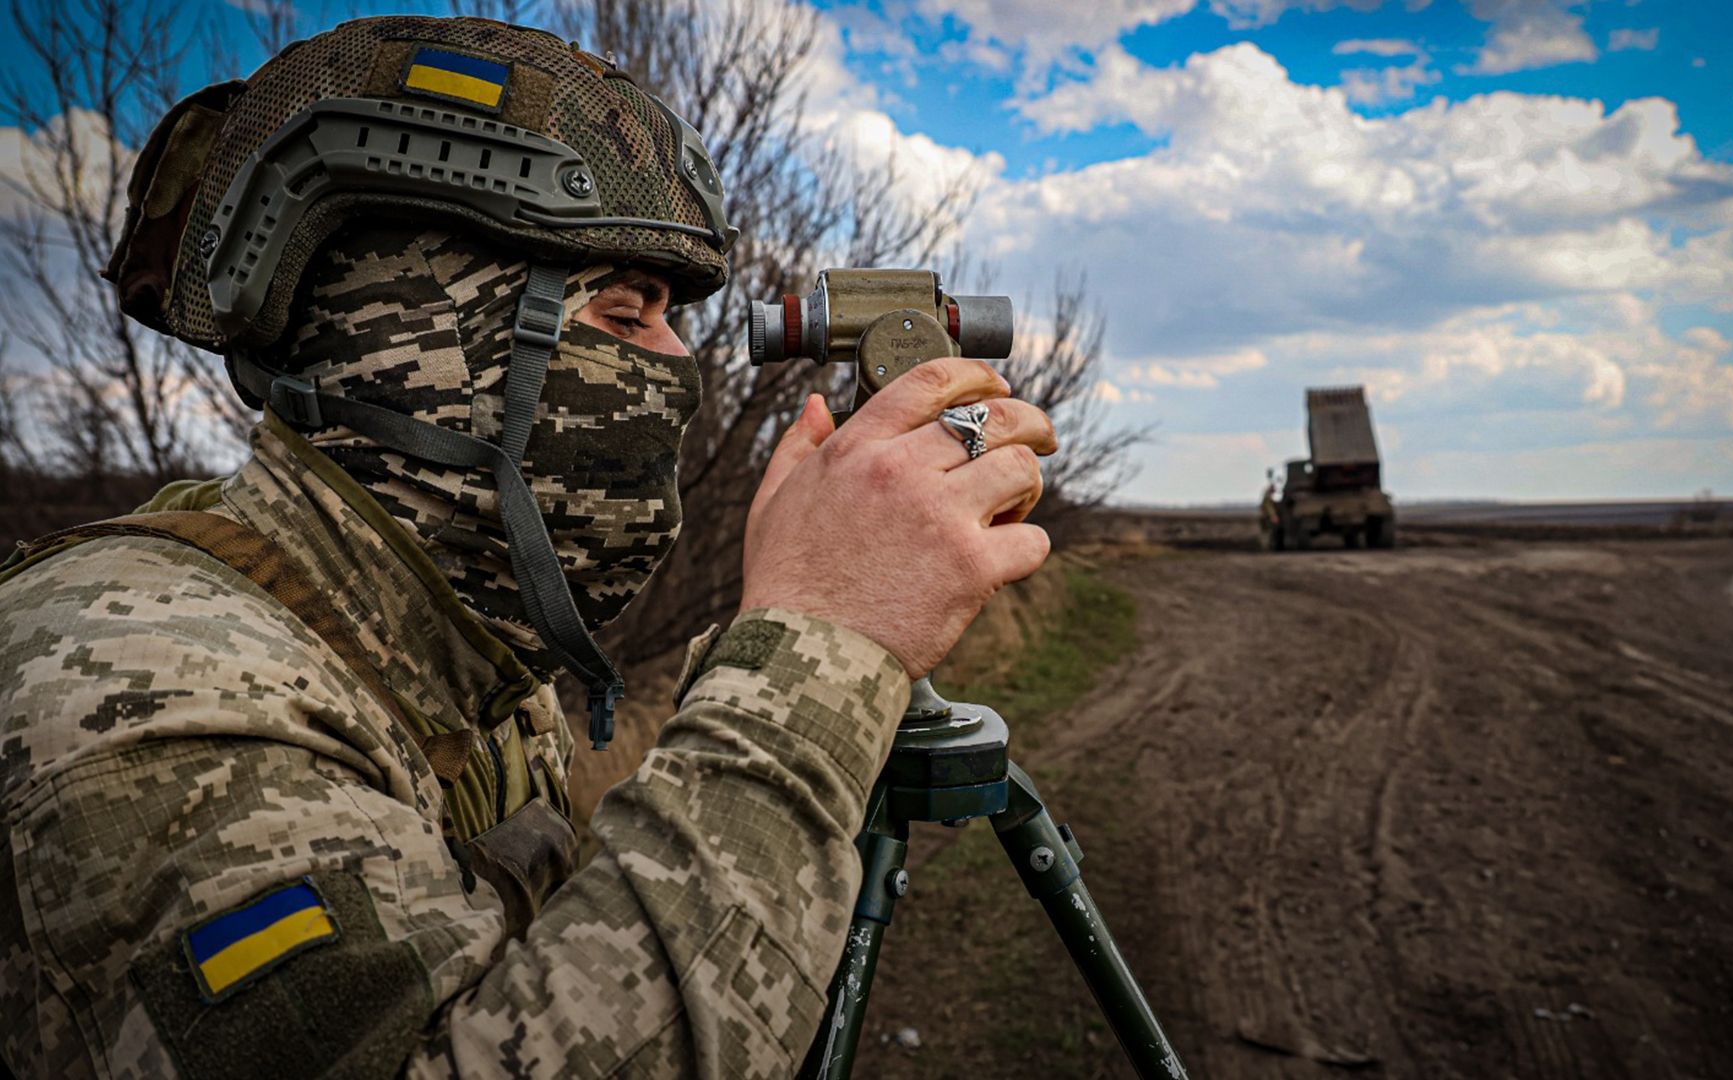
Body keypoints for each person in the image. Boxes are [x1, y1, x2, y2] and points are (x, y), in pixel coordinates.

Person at [0, 15, 1054, 1078]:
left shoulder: (451, 647)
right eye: (626, 316)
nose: (679, 367)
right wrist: (820, 649)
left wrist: (792, 634)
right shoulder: (135, 683)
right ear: (424, 354)